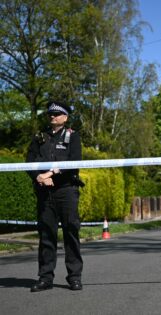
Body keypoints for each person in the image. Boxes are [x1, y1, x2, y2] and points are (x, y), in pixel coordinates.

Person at [26, 100, 83, 292]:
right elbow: (29, 161)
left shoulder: (72, 137)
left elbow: (73, 163)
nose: (52, 116)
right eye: (50, 114)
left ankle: (74, 277)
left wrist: (49, 174)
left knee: (71, 233)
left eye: (57, 114)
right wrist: (39, 177)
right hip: (45, 191)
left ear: (65, 117)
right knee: (46, 235)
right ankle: (45, 278)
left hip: (66, 190)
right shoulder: (39, 137)